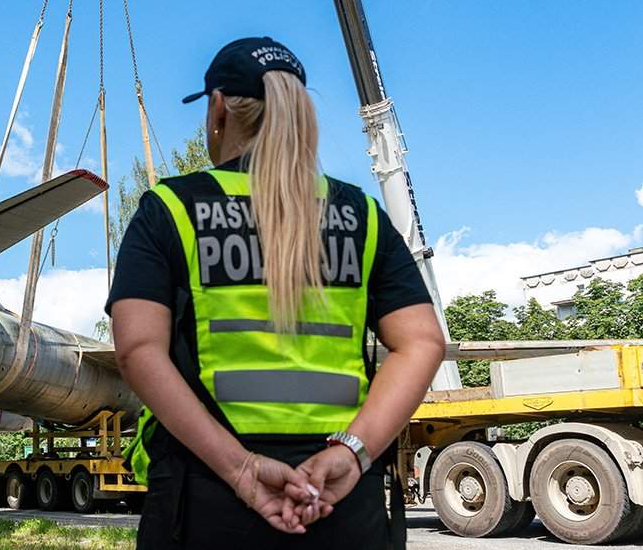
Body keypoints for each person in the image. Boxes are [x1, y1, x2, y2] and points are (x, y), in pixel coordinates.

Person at [108, 37, 445, 549]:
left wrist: (240, 468)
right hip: (337, 500)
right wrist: (353, 453)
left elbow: (137, 350)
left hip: (205, 498)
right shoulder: (364, 216)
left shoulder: (171, 208)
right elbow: (422, 343)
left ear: (218, 109)